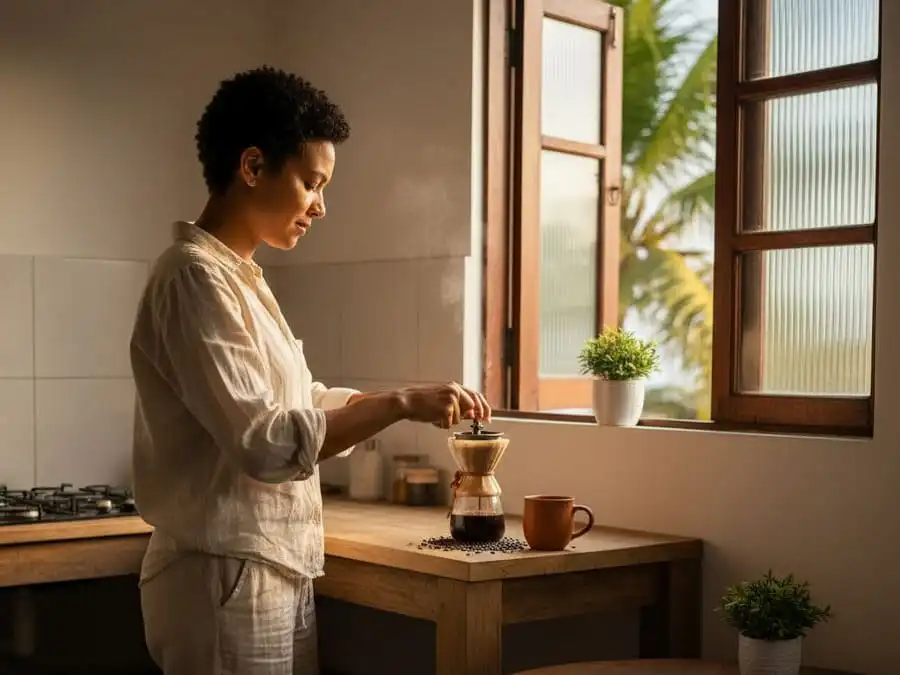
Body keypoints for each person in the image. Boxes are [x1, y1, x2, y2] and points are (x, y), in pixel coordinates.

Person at [129, 66, 490, 675]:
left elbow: (296, 400)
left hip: (266, 567)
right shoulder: (193, 277)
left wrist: (386, 400)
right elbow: (265, 443)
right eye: (311, 183)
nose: (320, 207)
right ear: (251, 167)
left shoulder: (237, 277)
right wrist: (397, 402)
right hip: (223, 577)